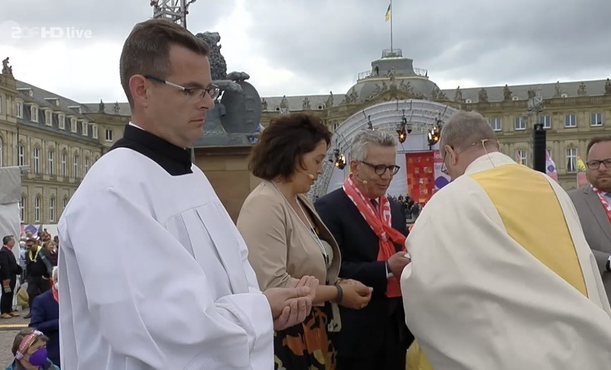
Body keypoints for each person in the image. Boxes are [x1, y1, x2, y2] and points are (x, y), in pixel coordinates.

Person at [56, 18, 316, 370]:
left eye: (210, 90)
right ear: (142, 90)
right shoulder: (114, 192)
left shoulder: (192, 174)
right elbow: (162, 328)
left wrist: (269, 312)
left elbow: (234, 279)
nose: (209, 104)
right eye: (191, 90)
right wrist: (259, 311)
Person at [402, 111, 611, 370]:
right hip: (581, 347)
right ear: (497, 146)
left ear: (451, 153)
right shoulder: (551, 187)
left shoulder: (450, 200)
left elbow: (426, 288)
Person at [237, 113, 373, 369]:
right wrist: (339, 293)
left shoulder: (299, 200)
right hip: (288, 337)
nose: (321, 169)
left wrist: (339, 282)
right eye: (317, 160)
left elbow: (311, 265)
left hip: (313, 330)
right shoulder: (265, 203)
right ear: (295, 157)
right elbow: (274, 284)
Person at [315, 130, 414, 370]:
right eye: (379, 168)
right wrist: (386, 269)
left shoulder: (395, 209)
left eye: (392, 168)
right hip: (354, 332)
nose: (387, 176)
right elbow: (331, 270)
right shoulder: (329, 207)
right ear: (356, 166)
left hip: (394, 329)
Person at [568, 136, 611, 303]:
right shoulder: (570, 201)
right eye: (594, 163)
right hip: (599, 301)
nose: (601, 168)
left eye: (608, 162)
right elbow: (568, 246)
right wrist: (606, 261)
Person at [29, 266, 60, 367]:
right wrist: (59, 323)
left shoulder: (76, 299)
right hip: (54, 354)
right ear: (54, 281)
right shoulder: (42, 300)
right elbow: (34, 327)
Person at [24, 237, 53, 319]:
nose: (29, 247)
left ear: (36, 244)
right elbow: (28, 266)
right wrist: (27, 277)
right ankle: (32, 311)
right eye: (28, 246)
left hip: (43, 277)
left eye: (31, 245)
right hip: (33, 277)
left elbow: (49, 263)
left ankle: (48, 310)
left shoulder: (43, 252)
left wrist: (48, 275)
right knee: (31, 293)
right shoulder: (28, 253)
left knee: (46, 294)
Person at [0, 235, 22, 318]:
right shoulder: (3, 252)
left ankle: (9, 310)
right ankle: (4, 311)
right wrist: (7, 277)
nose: (14, 242)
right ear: (8, 242)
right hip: (6, 277)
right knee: (6, 293)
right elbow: (4, 265)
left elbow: (12, 263)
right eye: (12, 241)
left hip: (12, 275)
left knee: (10, 293)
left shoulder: (9, 251)